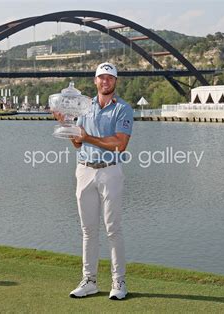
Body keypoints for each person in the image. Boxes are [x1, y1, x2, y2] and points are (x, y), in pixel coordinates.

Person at [53, 62, 134, 300]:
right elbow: (77, 142)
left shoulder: (123, 109)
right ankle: (89, 281)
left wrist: (89, 137)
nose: (105, 81)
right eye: (101, 78)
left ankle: (118, 282)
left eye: (110, 78)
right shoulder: (85, 108)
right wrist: (66, 125)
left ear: (115, 82)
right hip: (84, 170)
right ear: (94, 81)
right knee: (88, 230)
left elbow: (120, 143)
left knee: (113, 229)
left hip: (110, 171)